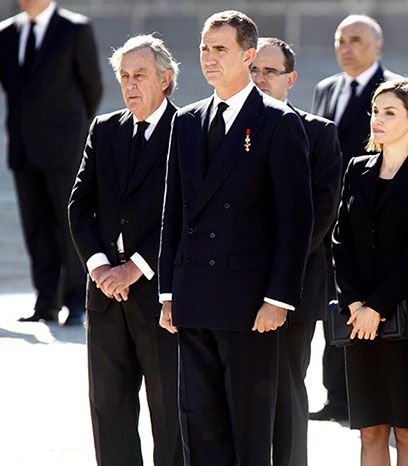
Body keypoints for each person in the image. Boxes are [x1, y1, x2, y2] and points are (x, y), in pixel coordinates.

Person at [158, 10, 313, 465]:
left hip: (250, 304)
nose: (208, 57)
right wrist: (168, 291)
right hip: (194, 296)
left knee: (248, 429)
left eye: (220, 49)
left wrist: (279, 299)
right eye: (204, 48)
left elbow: (296, 218)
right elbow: (174, 212)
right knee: (198, 427)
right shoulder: (185, 121)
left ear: (248, 56)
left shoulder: (278, 122)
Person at [67, 35, 182, 466]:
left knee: (169, 415)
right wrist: (99, 268)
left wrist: (135, 267)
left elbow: (187, 212)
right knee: (108, 410)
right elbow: (80, 206)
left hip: (160, 296)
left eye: (141, 75)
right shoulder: (105, 128)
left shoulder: (187, 129)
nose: (130, 85)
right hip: (105, 297)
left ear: (165, 79)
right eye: (124, 76)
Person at [332, 77, 408, 466]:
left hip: (406, 315)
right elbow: (339, 242)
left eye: (389, 113)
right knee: (370, 429)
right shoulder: (356, 168)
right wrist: (353, 303)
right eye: (375, 112)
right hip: (356, 314)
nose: (377, 120)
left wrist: (376, 307)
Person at [250, 37, 343, 466]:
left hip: (294, 287)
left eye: (270, 72)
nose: (260, 79)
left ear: (291, 79)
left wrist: (273, 277)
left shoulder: (318, 133)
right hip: (233, 287)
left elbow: (319, 217)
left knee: (287, 392)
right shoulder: (230, 127)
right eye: (254, 70)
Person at [310, 13, 400, 422]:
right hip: (330, 218)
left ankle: (371, 398)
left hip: (375, 219)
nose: (346, 47)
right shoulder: (326, 89)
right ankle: (336, 396)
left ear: (377, 46)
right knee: (335, 307)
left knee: (372, 309)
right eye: (340, 39)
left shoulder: (394, 92)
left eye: (356, 40)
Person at [0, 0, 102, 325]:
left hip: (64, 147)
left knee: (67, 222)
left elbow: (93, 88)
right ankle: (46, 303)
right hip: (23, 147)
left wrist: (71, 131)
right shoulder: (6, 33)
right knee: (36, 227)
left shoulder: (75, 29)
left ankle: (76, 301)